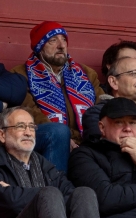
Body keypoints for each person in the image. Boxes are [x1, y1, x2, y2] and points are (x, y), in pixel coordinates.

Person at [0, 107, 99, 218]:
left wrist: (19, 192)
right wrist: (46, 196)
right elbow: (11, 203)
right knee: (49, 194)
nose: (28, 133)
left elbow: (71, 198)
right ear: (2, 135)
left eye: (31, 127)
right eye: (20, 127)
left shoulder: (47, 168)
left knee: (84, 194)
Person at [11, 21, 103, 172]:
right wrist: (65, 138)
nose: (61, 45)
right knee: (58, 134)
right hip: (44, 138)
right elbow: (28, 111)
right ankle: (54, 192)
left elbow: (100, 108)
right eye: (53, 40)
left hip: (87, 141)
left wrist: (88, 138)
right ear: (40, 47)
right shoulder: (21, 74)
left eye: (64, 39)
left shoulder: (86, 73)